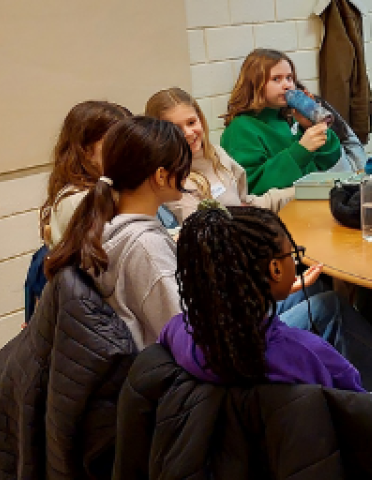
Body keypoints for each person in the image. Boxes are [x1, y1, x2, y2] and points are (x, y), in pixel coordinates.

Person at [159, 202, 362, 391]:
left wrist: (263, 291)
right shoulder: (307, 353)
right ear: (275, 269)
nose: (294, 260)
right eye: (292, 255)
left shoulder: (177, 330)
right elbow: (358, 405)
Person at [45, 116, 194, 345]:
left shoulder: (105, 229)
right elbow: (186, 340)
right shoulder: (146, 247)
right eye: (182, 165)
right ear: (161, 176)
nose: (187, 173)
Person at [146, 87, 293, 222]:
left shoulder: (217, 154)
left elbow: (245, 204)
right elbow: (202, 231)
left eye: (191, 123)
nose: (188, 133)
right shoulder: (173, 181)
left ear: (201, 119)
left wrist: (298, 191)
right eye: (176, 129)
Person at [220, 48, 343, 195]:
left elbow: (328, 159)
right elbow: (252, 185)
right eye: (276, 79)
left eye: (289, 78)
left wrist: (310, 126)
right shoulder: (241, 129)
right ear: (254, 84)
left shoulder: (285, 119)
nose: (287, 85)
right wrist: (301, 151)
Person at [41, 101, 131, 247]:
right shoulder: (80, 200)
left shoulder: (110, 188)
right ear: (86, 151)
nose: (126, 152)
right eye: (115, 143)